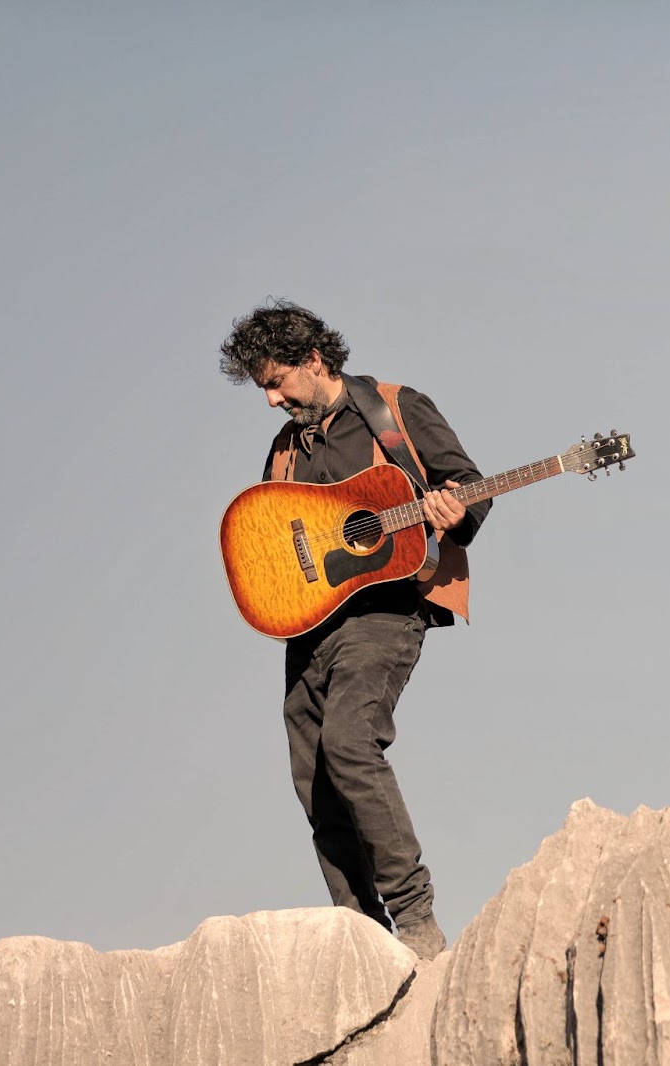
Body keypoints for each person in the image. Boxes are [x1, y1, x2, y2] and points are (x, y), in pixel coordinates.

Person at [217, 298, 490, 960]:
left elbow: (468, 484)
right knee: (312, 773)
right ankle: (365, 936)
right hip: (311, 628)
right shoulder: (284, 450)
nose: (272, 400)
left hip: (388, 609)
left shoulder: (394, 409)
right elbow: (266, 534)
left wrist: (454, 512)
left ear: (314, 360)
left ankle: (415, 917)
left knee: (349, 741)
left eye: (277, 382)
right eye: (264, 389)